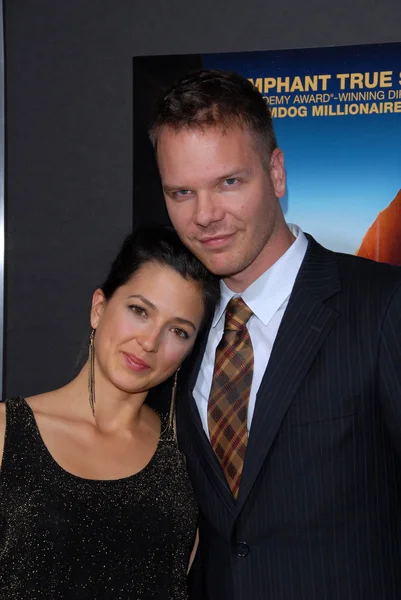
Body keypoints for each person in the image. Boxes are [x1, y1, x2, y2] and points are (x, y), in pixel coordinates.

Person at [148, 69, 401, 600]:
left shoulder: (382, 305)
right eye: (182, 192)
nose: (206, 215)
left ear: (277, 173)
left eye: (229, 182)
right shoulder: (178, 330)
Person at [0, 225, 220, 599]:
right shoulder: (6, 432)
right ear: (99, 308)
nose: (149, 342)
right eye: (139, 311)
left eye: (178, 331)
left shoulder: (187, 454)